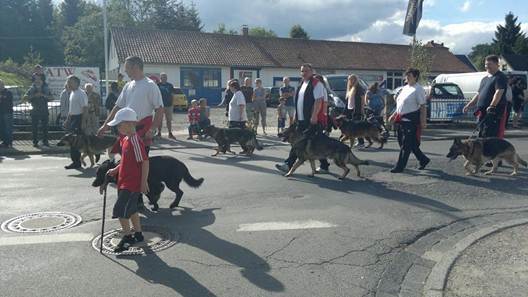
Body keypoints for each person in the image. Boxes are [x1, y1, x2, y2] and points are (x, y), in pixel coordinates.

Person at [98, 56, 164, 155]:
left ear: (135, 67)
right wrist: (105, 125)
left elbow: (160, 109)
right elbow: (118, 107)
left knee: (140, 166)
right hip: (125, 131)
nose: (125, 71)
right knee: (126, 164)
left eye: (127, 68)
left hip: (141, 131)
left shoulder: (150, 85)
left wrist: (152, 129)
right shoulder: (127, 85)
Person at [105, 107, 149, 253]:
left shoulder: (135, 141)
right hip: (124, 182)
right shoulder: (125, 139)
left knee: (120, 210)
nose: (117, 128)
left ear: (130, 124)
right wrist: (115, 170)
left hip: (132, 185)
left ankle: (128, 237)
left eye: (119, 125)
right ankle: (138, 233)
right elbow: (125, 159)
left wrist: (143, 182)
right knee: (131, 210)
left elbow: (144, 161)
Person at [275, 63, 330, 173]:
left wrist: (314, 116)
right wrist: (296, 115)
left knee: (313, 142)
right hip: (301, 120)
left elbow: (318, 101)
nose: (304, 73)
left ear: (311, 71)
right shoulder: (301, 84)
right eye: (302, 71)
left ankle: (289, 164)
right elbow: (299, 101)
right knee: (305, 142)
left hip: (312, 120)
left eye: (306, 71)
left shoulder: (316, 84)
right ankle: (323, 165)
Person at [388, 68, 430, 173]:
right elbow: (400, 104)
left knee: (406, 145)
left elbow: (423, 106)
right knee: (408, 143)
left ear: (415, 77)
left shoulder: (418, 89)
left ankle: (399, 167)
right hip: (401, 119)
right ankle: (423, 159)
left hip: (411, 121)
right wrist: (393, 115)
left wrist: (423, 121)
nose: (406, 77)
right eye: (406, 75)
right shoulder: (405, 88)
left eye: (409, 75)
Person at [463, 55, 508, 139]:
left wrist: (492, 106)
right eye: (486, 64)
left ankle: (493, 151)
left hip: (493, 112)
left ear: (496, 64)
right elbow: (478, 94)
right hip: (482, 112)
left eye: (489, 64)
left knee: (491, 135)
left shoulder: (500, 77)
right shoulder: (484, 79)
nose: (487, 66)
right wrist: (469, 105)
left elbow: (499, 92)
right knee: (481, 133)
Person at [64, 75, 88, 169]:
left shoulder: (81, 94)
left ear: (77, 83)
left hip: (79, 118)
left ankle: (76, 162)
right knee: (73, 142)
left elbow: (85, 109)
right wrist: (67, 120)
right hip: (74, 119)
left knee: (76, 142)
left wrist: (83, 122)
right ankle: (76, 161)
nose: (68, 84)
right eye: (68, 82)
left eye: (71, 82)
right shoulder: (73, 93)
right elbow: (71, 110)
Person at [24, 73, 52, 147]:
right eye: (36, 78)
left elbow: (52, 98)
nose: (37, 80)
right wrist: (34, 96)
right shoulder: (31, 88)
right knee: (34, 128)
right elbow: (25, 97)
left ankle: (45, 141)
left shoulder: (46, 88)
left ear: (42, 79)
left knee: (45, 127)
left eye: (39, 78)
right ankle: (35, 142)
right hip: (34, 111)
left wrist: (43, 95)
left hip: (44, 110)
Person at [346, 74, 366, 147]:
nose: (351, 81)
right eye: (350, 80)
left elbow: (363, 99)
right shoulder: (350, 88)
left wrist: (362, 110)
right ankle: (358, 141)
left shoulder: (358, 88)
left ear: (356, 80)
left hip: (357, 110)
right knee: (353, 127)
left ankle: (361, 142)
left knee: (358, 127)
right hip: (351, 109)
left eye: (353, 79)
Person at [157, 72, 176, 139]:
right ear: (160, 78)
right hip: (160, 105)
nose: (164, 78)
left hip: (169, 105)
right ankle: (159, 133)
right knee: (159, 120)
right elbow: (156, 95)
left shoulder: (170, 85)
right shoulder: (158, 85)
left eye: (165, 77)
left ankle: (170, 133)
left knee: (169, 120)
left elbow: (172, 95)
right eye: (162, 77)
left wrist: (172, 104)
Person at [0, 80, 13, 148]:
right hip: (1, 112)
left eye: (0, 84)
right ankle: (4, 142)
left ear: (3, 85)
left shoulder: (8, 92)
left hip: (7, 113)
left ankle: (9, 142)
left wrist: (1, 98)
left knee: (8, 129)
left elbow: (7, 101)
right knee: (2, 128)